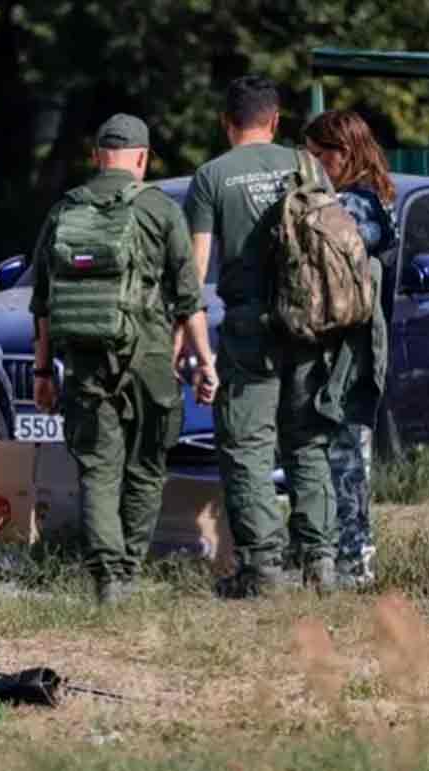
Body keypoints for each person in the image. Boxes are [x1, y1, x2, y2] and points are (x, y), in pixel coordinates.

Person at [29, 113, 217, 605]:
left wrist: (43, 372)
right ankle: (128, 568)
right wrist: (206, 362)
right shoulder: (160, 210)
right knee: (146, 466)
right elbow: (188, 300)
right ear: (142, 158)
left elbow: (42, 307)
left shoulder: (64, 210)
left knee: (98, 469)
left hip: (87, 362)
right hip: (150, 359)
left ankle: (106, 578)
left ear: (96, 156)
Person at [184, 75, 340, 598]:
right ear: (275, 121)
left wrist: (191, 345)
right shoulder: (309, 167)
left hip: (252, 327)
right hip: (313, 324)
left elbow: (196, 271)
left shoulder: (211, 177)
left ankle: (263, 569)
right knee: (307, 441)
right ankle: (321, 563)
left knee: (247, 446)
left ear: (227, 123)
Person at [301, 109, 395, 591]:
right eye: (310, 155)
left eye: (323, 154)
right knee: (338, 452)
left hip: (350, 351)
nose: (315, 164)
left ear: (347, 151)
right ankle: (339, 557)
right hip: (343, 347)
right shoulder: (361, 200)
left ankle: (354, 562)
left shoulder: (357, 206)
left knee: (346, 456)